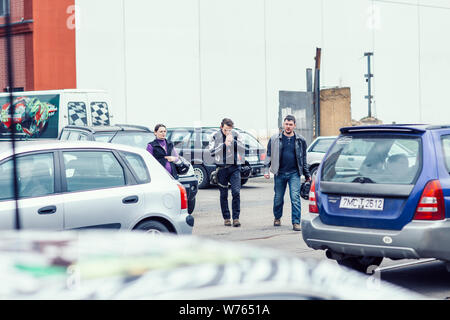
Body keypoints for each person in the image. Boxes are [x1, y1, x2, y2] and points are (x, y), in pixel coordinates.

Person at [264, 115, 311, 231]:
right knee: (278, 198)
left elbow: (303, 158)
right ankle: (277, 217)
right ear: (283, 125)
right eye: (286, 124)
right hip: (279, 173)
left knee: (295, 198)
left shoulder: (300, 140)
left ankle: (296, 222)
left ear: (294, 125)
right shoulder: (275, 139)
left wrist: (307, 174)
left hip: (294, 174)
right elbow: (269, 155)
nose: (288, 126)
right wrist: (266, 170)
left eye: (290, 124)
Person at [208, 118, 245, 227]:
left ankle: (236, 218)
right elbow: (212, 152)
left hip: (234, 168)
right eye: (225, 130)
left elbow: (243, 149)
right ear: (221, 127)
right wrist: (224, 144)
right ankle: (226, 218)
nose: (228, 132)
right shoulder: (214, 136)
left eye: (230, 130)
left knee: (236, 192)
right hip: (222, 168)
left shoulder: (236, 134)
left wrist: (233, 142)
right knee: (223, 194)